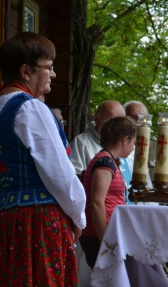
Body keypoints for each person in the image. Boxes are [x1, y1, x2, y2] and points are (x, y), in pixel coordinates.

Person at [0, 32, 86, 285]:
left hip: (7, 220)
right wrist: (78, 216)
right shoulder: (30, 108)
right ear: (26, 71)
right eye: (48, 67)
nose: (54, 73)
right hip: (37, 222)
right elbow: (59, 173)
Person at [80, 116, 136, 268]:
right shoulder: (105, 162)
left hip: (108, 233)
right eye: (133, 142)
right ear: (125, 140)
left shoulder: (109, 160)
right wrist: (106, 241)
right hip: (100, 235)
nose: (133, 147)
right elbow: (97, 203)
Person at [69, 100, 125, 176]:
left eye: (121, 123)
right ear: (96, 119)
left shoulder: (126, 145)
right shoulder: (81, 143)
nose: (117, 128)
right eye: (111, 122)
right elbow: (74, 176)